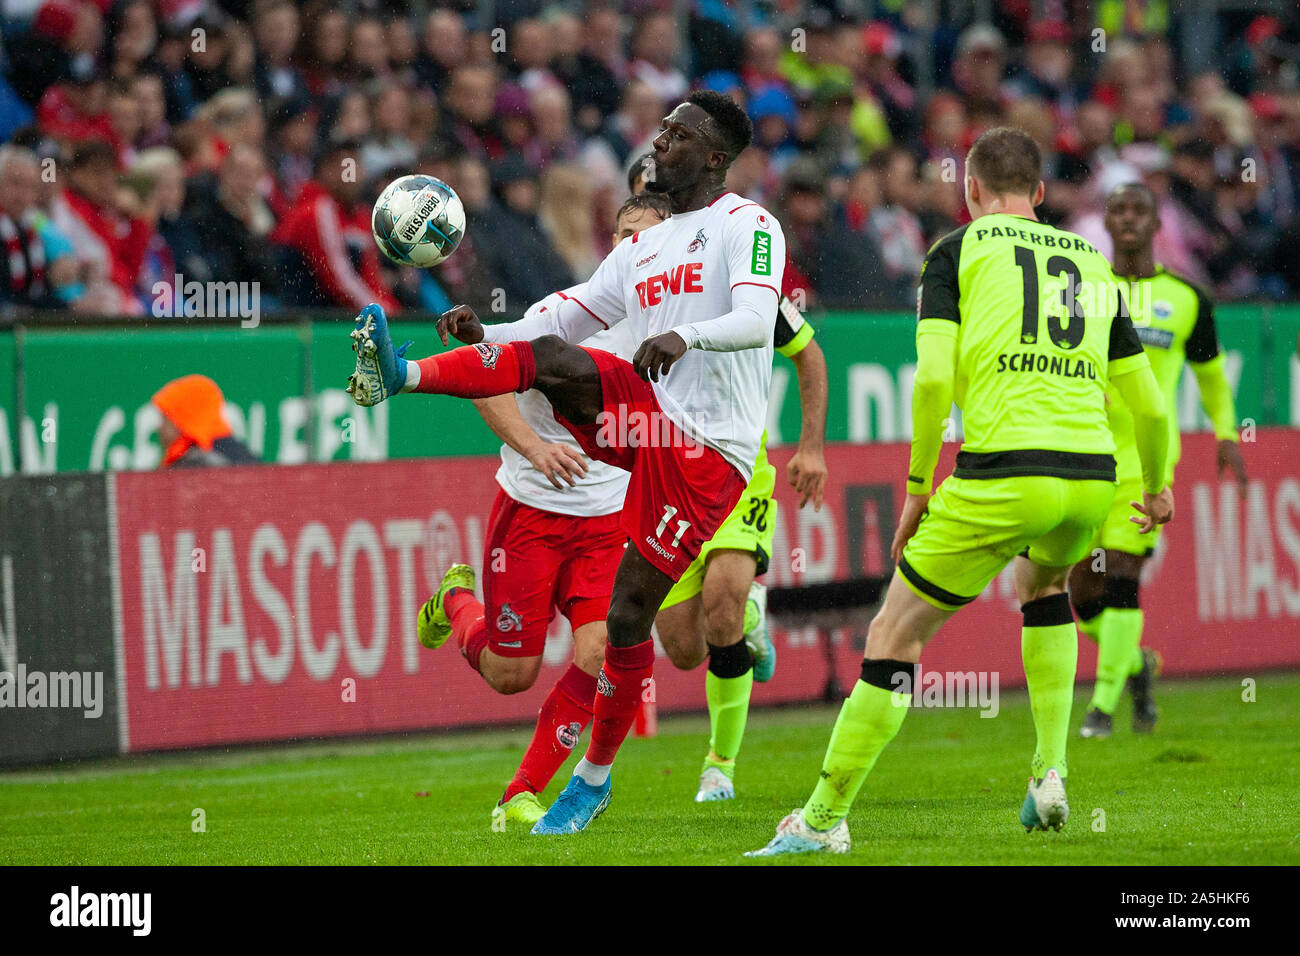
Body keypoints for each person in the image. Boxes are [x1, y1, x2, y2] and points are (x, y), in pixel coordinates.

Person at [347, 91, 783, 835]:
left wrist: (688, 339)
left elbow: (754, 315)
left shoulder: (747, 225)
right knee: (548, 357)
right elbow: (561, 319)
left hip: (705, 449)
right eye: (663, 128)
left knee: (627, 619)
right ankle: (400, 374)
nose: (662, 142)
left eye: (680, 135)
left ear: (715, 157)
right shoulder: (641, 248)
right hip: (648, 417)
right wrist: (489, 333)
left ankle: (594, 778)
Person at [748, 127, 1174, 857]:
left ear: (971, 191)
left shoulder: (957, 251)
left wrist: (918, 486)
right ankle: (1051, 772)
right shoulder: (1094, 261)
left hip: (1007, 471)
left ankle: (822, 820)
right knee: (1043, 590)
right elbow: (1152, 407)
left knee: (894, 635)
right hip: (1091, 481)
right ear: (1039, 194)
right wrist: (1158, 487)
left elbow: (937, 379)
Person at [415, 193, 670, 832]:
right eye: (625, 234)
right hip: (530, 513)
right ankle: (455, 601)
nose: (636, 247)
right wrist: (533, 445)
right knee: (511, 674)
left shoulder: (671, 332)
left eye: (650, 236)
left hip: (607, 522)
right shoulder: (564, 314)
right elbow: (483, 371)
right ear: (612, 245)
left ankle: (520, 793)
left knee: (600, 647)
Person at [1068, 183, 1247, 739]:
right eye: (1116, 209)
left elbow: (1212, 377)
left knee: (1122, 574)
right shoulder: (1083, 290)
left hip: (1146, 464)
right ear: (1106, 220)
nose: (1126, 218)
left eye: (1137, 210)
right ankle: (1135, 663)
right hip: (1082, 453)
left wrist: (1226, 433)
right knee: (1081, 590)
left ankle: (1100, 708)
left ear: (1155, 223)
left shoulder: (1189, 299)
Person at [655, 293, 827, 802]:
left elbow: (808, 353)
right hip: (669, 486)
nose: (628, 243)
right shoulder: (629, 293)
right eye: (621, 235)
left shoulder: (751, 291)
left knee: (723, 604)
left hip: (738, 473)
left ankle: (719, 766)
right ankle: (753, 620)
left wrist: (811, 446)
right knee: (685, 650)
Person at [152, 374, 258, 468]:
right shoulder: (244, 457)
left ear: (182, 419)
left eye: (165, 418)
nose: (159, 428)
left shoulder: (192, 464)